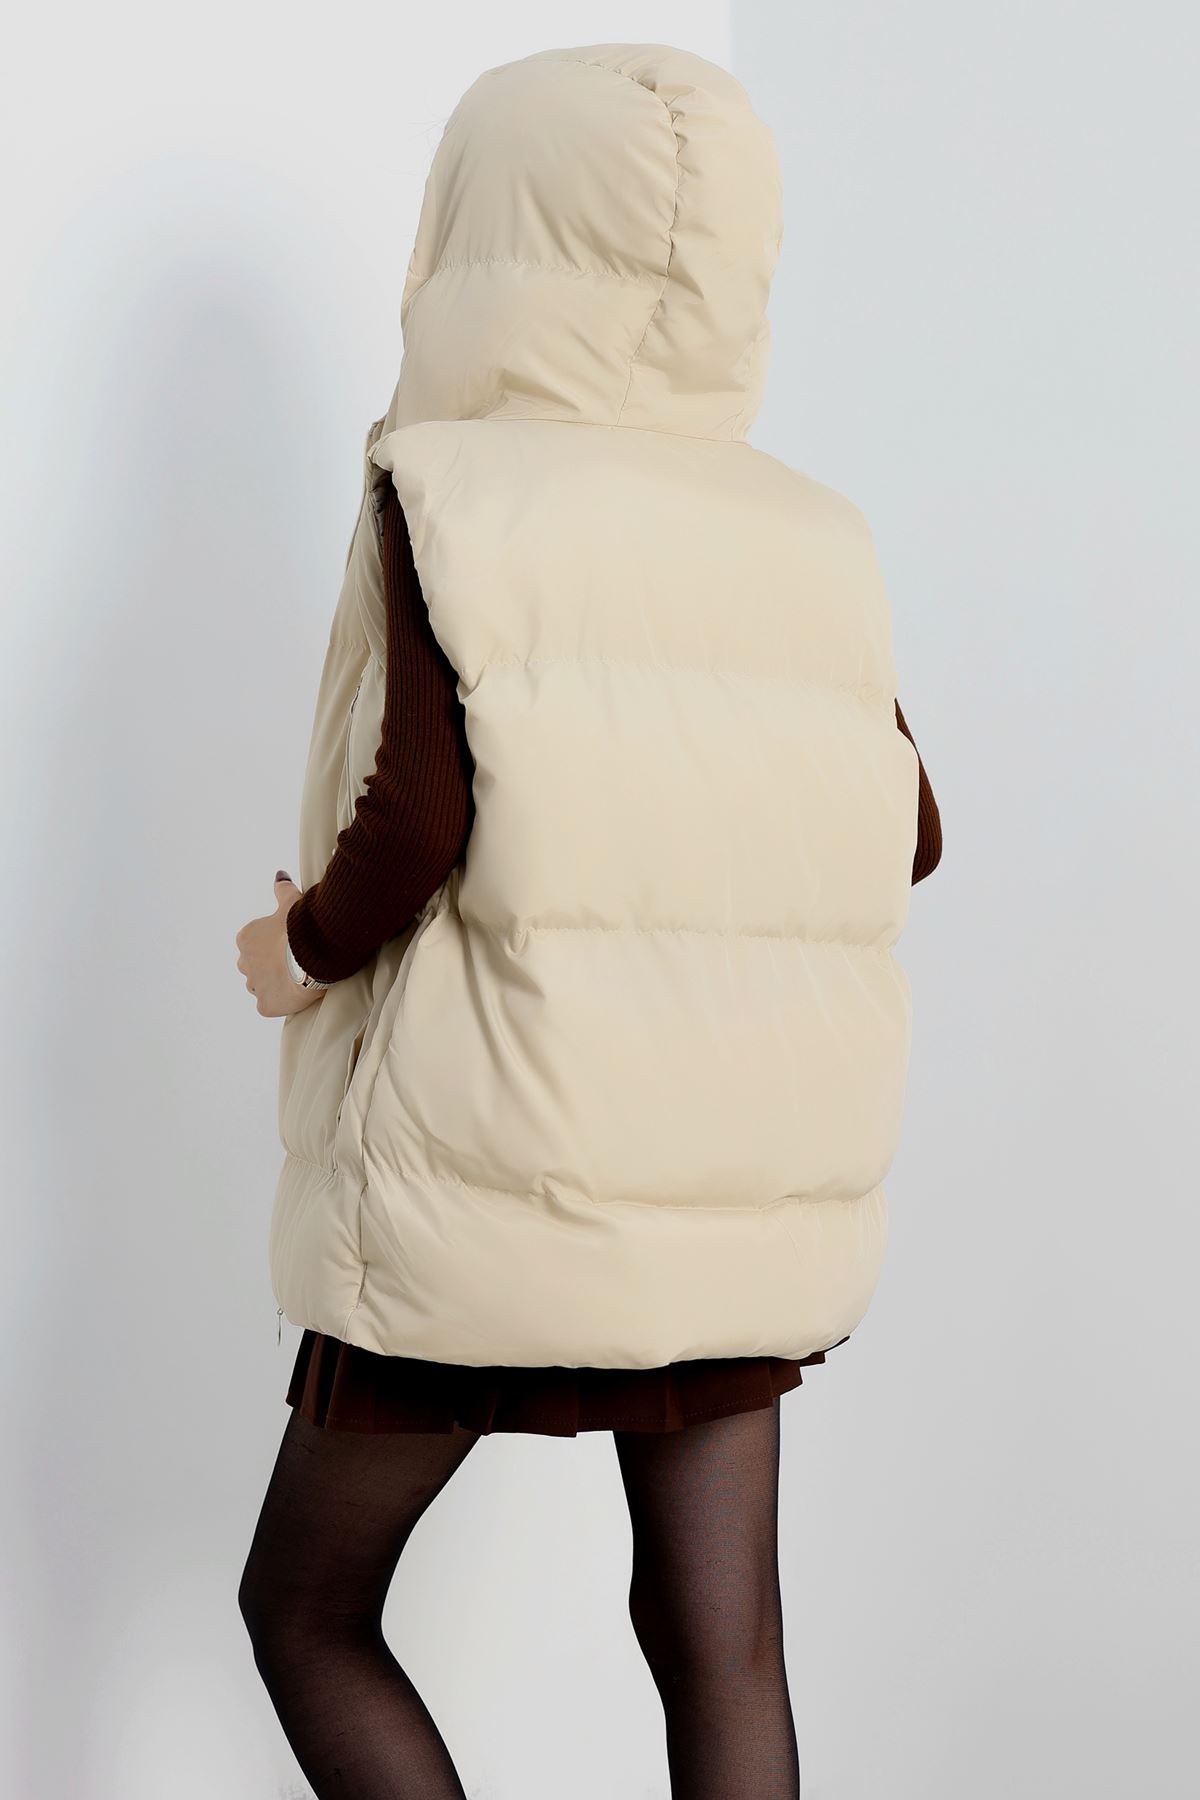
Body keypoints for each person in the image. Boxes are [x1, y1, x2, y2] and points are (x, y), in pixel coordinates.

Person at [234, 43, 942, 1800]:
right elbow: (913, 830)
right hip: (730, 1186)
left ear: (486, 233)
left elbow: (416, 826)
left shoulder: (450, 491)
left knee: (304, 1607)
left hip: (497, 1162)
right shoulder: (809, 534)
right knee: (722, 1641)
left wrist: (295, 950)